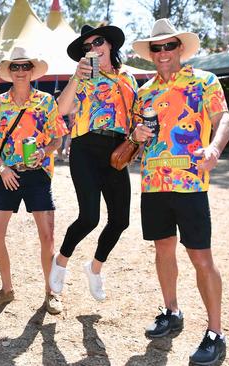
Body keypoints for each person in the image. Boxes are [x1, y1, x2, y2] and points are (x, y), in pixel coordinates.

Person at [130, 18, 229, 366]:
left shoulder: (205, 82)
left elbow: (224, 120)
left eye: (168, 46)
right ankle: (171, 311)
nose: (162, 53)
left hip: (190, 183)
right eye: (156, 48)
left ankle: (215, 333)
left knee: (201, 257)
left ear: (180, 49)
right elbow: (136, 135)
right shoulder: (144, 93)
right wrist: (136, 136)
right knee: (163, 251)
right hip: (153, 184)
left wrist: (215, 149)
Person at [50, 24, 138, 304]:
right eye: (87, 47)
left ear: (110, 44)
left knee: (120, 220)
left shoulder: (129, 78)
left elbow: (137, 116)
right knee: (89, 217)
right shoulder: (83, 78)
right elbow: (61, 110)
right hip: (86, 148)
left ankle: (95, 267)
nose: (93, 49)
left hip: (117, 150)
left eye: (98, 42)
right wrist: (76, 77)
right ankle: (61, 261)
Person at [0, 47, 67, 315]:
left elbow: (58, 137)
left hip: (38, 174)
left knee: (47, 237)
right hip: (7, 174)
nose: (20, 71)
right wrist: (2, 167)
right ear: (9, 72)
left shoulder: (46, 102)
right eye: (15, 67)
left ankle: (51, 293)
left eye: (25, 67)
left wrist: (44, 152)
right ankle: (6, 290)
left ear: (32, 71)